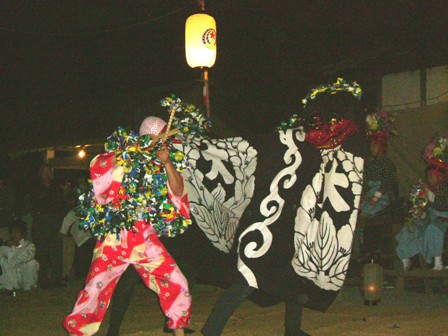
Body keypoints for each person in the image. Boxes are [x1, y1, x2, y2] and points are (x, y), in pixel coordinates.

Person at [200, 78, 366, 336]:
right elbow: (246, 155)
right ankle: (210, 330)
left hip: (289, 223)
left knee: (293, 276)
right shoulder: (284, 140)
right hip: (265, 222)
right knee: (248, 279)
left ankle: (292, 328)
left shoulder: (321, 145)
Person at [63, 116, 192, 336]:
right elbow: (99, 169)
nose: (167, 143)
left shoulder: (162, 163)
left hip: (145, 239)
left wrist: (167, 163)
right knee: (93, 291)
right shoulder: (123, 154)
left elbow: (178, 192)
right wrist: (130, 154)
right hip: (115, 239)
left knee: (177, 283)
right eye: (162, 138)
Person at [396, 136, 448, 271]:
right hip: (429, 217)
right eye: (429, 176)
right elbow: (424, 206)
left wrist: (428, 195)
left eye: (433, 176)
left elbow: (440, 204)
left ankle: (437, 260)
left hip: (442, 219)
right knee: (409, 228)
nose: (430, 179)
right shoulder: (426, 189)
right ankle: (405, 258)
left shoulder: (444, 188)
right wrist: (418, 211)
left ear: (440, 177)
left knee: (434, 229)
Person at [29, 163, 65, 288]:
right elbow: (32, 206)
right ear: (40, 173)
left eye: (48, 171)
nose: (46, 174)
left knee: (56, 252)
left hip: (54, 222)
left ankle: (57, 279)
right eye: (44, 171)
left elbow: (62, 206)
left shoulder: (57, 188)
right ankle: (42, 279)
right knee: (42, 251)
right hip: (40, 222)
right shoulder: (35, 188)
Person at [0, 220, 39, 294]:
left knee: (32, 263)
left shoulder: (29, 245)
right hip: (12, 278)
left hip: (25, 277)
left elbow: (26, 257)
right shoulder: (6, 246)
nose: (14, 235)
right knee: (2, 260)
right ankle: (9, 287)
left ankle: (29, 287)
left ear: (23, 234)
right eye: (12, 233)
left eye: (17, 232)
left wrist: (15, 247)